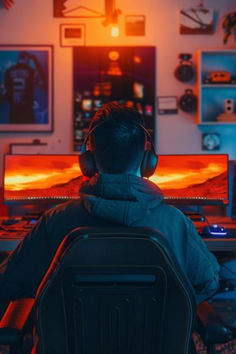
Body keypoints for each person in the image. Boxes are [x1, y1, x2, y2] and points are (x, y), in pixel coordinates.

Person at [0, 102, 219, 304]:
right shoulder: (175, 223)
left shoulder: (55, 221)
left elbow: (7, 281)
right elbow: (208, 283)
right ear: (147, 161)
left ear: (87, 161)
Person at [2, 51, 47, 124]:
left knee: (14, 134)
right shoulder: (32, 71)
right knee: (28, 134)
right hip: (27, 112)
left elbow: (5, 91)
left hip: (14, 112)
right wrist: (36, 61)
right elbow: (44, 84)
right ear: (27, 59)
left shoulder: (8, 71)